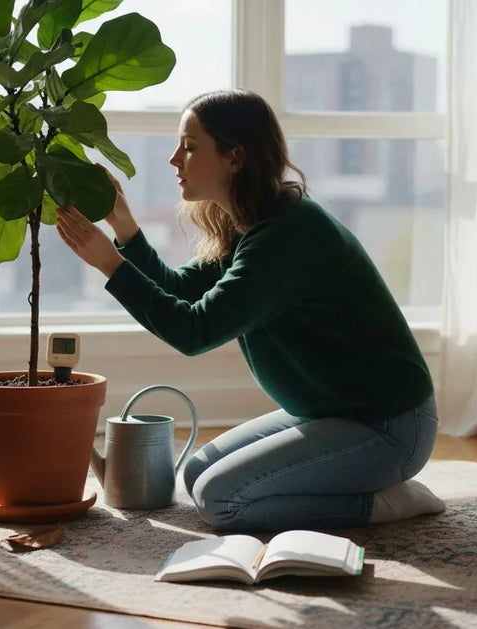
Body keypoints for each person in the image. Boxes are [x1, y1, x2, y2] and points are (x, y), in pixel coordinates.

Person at [56, 89, 444, 532]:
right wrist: (123, 227)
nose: (173, 159)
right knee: (196, 475)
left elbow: (194, 330)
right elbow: (181, 291)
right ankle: (352, 487)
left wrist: (109, 263)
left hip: (389, 426)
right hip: (327, 412)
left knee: (222, 502)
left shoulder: (288, 233)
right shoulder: (249, 223)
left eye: (189, 146)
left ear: (234, 157)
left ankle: (382, 504)